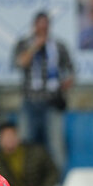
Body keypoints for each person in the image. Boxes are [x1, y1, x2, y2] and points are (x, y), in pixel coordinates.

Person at [12, 11, 75, 168]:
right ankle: (26, 183)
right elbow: (20, 63)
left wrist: (67, 81)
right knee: (26, 143)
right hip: (29, 101)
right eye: (39, 26)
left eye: (45, 26)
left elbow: (70, 69)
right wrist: (35, 47)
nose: (42, 30)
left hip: (52, 102)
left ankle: (58, 185)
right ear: (34, 27)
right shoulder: (24, 44)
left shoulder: (59, 46)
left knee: (55, 145)